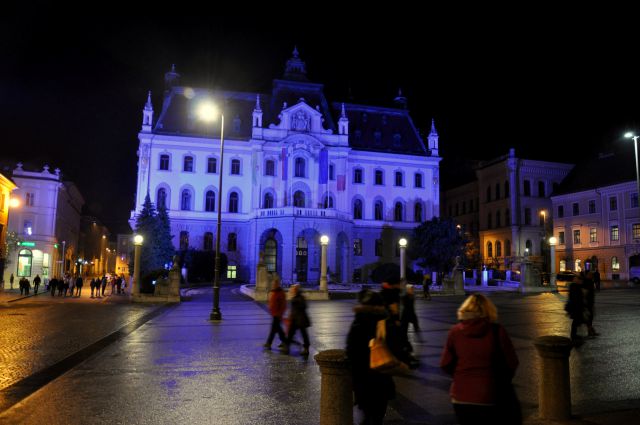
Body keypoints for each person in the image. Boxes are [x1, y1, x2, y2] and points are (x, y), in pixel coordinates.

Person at [440, 293, 520, 424]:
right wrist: (500, 380)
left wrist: (460, 376)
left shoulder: (455, 332)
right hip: (489, 394)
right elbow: (512, 363)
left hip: (461, 396)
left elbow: (445, 363)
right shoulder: (497, 331)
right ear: (488, 309)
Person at [346, 289, 400, 425]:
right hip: (379, 377)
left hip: (361, 379)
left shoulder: (357, 322)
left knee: (367, 415)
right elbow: (395, 347)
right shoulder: (383, 323)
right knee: (376, 416)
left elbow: (351, 351)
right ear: (378, 305)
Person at [281, 284, 311, 356]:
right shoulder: (297, 297)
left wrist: (296, 301)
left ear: (296, 290)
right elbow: (294, 309)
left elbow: (303, 306)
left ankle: (306, 348)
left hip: (300, 319)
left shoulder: (298, 298)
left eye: (292, 290)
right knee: (291, 333)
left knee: (303, 334)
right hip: (295, 319)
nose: (291, 291)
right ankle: (287, 346)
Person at [263, 277, 287, 350]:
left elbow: (283, 305)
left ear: (278, 284)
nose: (273, 285)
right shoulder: (274, 291)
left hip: (277, 314)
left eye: (275, 284)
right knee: (278, 329)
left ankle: (269, 343)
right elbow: (271, 301)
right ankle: (285, 342)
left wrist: (280, 313)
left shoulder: (280, 292)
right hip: (274, 314)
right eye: (273, 284)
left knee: (273, 330)